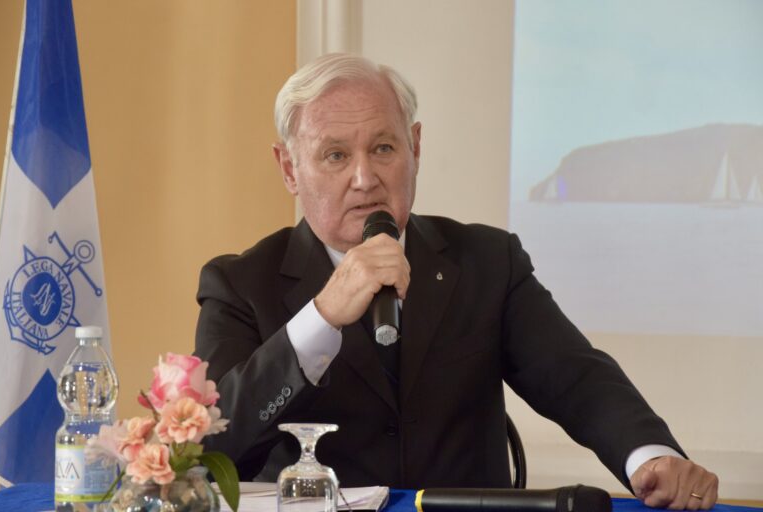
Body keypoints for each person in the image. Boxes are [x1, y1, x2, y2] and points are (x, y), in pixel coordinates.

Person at [194, 53, 718, 509]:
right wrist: (322, 316)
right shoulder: (239, 284)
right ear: (289, 168)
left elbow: (576, 378)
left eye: (384, 148)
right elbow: (214, 449)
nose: (365, 178)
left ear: (415, 147)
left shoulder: (488, 261)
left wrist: (650, 456)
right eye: (336, 155)